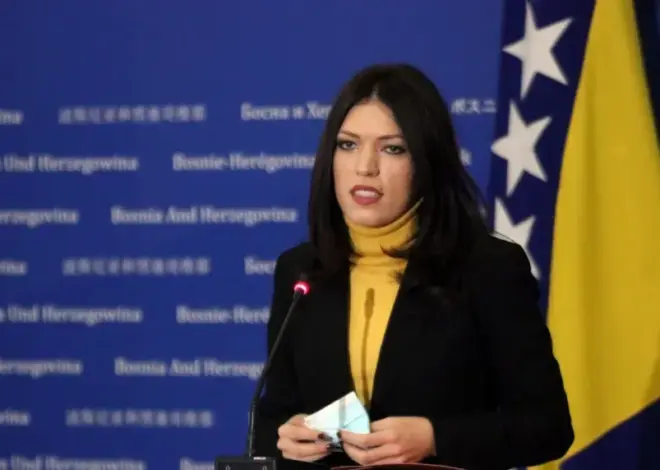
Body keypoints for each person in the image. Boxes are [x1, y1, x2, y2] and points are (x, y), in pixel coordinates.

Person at [253, 63, 574, 470]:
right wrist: (287, 438)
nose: (365, 167)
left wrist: (434, 438)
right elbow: (270, 420)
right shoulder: (300, 268)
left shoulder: (488, 267)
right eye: (348, 145)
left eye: (393, 149)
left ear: (427, 161)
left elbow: (547, 426)